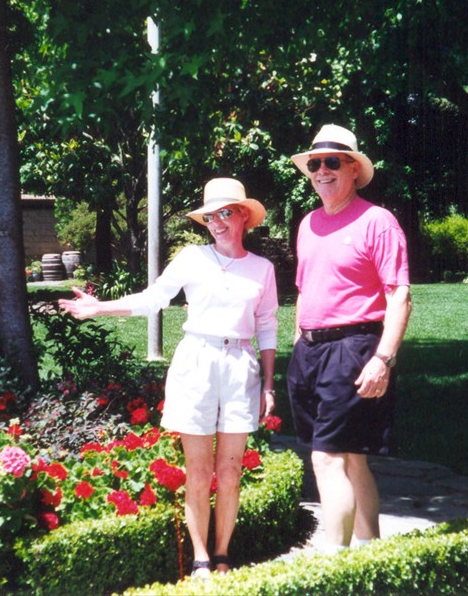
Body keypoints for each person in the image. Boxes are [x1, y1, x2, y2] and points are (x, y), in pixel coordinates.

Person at [59, 178, 278, 579]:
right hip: (197, 360)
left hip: (240, 365)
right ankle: (200, 559)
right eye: (210, 216)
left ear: (244, 215)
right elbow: (153, 299)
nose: (217, 222)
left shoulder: (262, 269)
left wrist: (268, 385)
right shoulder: (192, 258)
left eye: (226, 213)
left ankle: (224, 554)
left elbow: (266, 327)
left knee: (229, 472)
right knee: (198, 471)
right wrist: (99, 308)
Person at [286, 124, 412, 554]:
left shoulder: (378, 222)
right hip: (310, 351)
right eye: (316, 164)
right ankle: (371, 554)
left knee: (327, 458)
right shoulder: (307, 224)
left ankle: (332, 566)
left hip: (354, 348)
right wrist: (299, 342)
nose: (322, 171)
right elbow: (306, 288)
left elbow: (400, 296)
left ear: (354, 169)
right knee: (351, 456)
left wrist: (383, 359)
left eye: (333, 162)